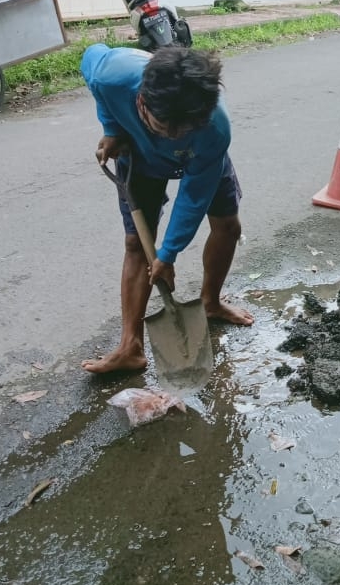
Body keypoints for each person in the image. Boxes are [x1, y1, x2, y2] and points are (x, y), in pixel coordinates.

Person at [80, 42, 253, 375]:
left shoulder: (213, 129)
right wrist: (112, 129)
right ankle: (130, 346)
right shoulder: (111, 74)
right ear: (141, 101)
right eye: (164, 128)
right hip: (139, 156)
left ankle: (211, 302)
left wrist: (168, 254)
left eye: (183, 130)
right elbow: (92, 71)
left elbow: (193, 198)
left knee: (228, 226)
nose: (174, 138)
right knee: (136, 244)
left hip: (201, 159)